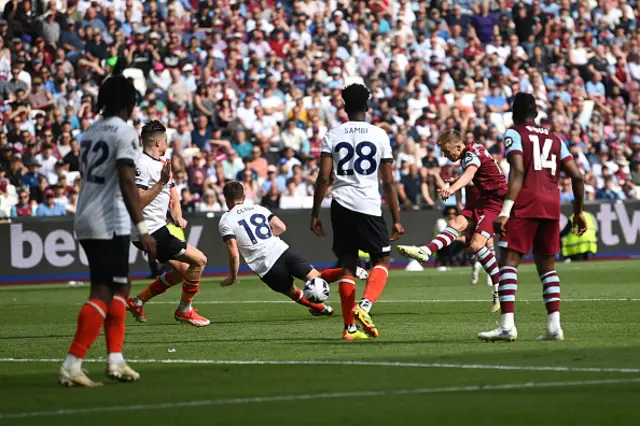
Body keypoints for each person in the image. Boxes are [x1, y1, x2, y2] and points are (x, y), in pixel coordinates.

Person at [60, 62, 156, 387]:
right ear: (129, 104)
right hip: (109, 221)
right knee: (103, 288)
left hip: (86, 213)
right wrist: (142, 229)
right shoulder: (125, 132)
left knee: (120, 285)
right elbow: (128, 181)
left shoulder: (90, 131)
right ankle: (73, 363)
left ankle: (115, 359)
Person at [478, 93, 586, 342]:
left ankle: (507, 325)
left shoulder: (514, 133)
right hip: (551, 205)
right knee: (547, 266)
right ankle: (554, 326)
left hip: (526, 203)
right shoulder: (555, 138)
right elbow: (578, 177)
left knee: (509, 261)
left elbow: (518, 169)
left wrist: (505, 211)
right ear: (536, 113)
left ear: (514, 113)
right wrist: (578, 212)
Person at [311, 83, 404, 341]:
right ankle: (364, 306)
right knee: (382, 260)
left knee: (347, 265)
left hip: (340, 204)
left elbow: (323, 178)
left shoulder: (332, 134)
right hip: (368, 205)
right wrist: (396, 219)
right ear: (367, 106)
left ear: (344, 105)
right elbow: (388, 182)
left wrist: (315, 213)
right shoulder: (379, 135)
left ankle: (349, 329)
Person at [218, 181, 368, 315]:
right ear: (244, 197)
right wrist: (268, 238)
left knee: (293, 292)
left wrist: (233, 276)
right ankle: (350, 270)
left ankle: (322, 308)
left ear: (226, 199)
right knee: (318, 277)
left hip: (266, 265)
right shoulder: (258, 208)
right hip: (282, 251)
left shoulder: (226, 220)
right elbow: (281, 227)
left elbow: (233, 252)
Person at [397, 129, 507, 312]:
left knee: (477, 246)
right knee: (455, 224)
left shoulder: (470, 156)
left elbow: (470, 174)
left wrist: (453, 188)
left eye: (449, 152)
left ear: (458, 146)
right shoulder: (474, 149)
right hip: (482, 199)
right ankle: (425, 251)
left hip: (495, 202)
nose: (448, 157)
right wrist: (456, 179)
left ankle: (499, 287)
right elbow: (480, 172)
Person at [126, 120, 210, 327]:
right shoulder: (141, 164)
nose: (167, 144)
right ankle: (184, 310)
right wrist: (161, 182)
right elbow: (137, 201)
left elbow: (172, 194)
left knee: (184, 271)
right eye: (165, 140)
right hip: (149, 230)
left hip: (158, 227)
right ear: (157, 143)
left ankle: (137, 301)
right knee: (199, 261)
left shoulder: (163, 164)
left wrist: (178, 215)